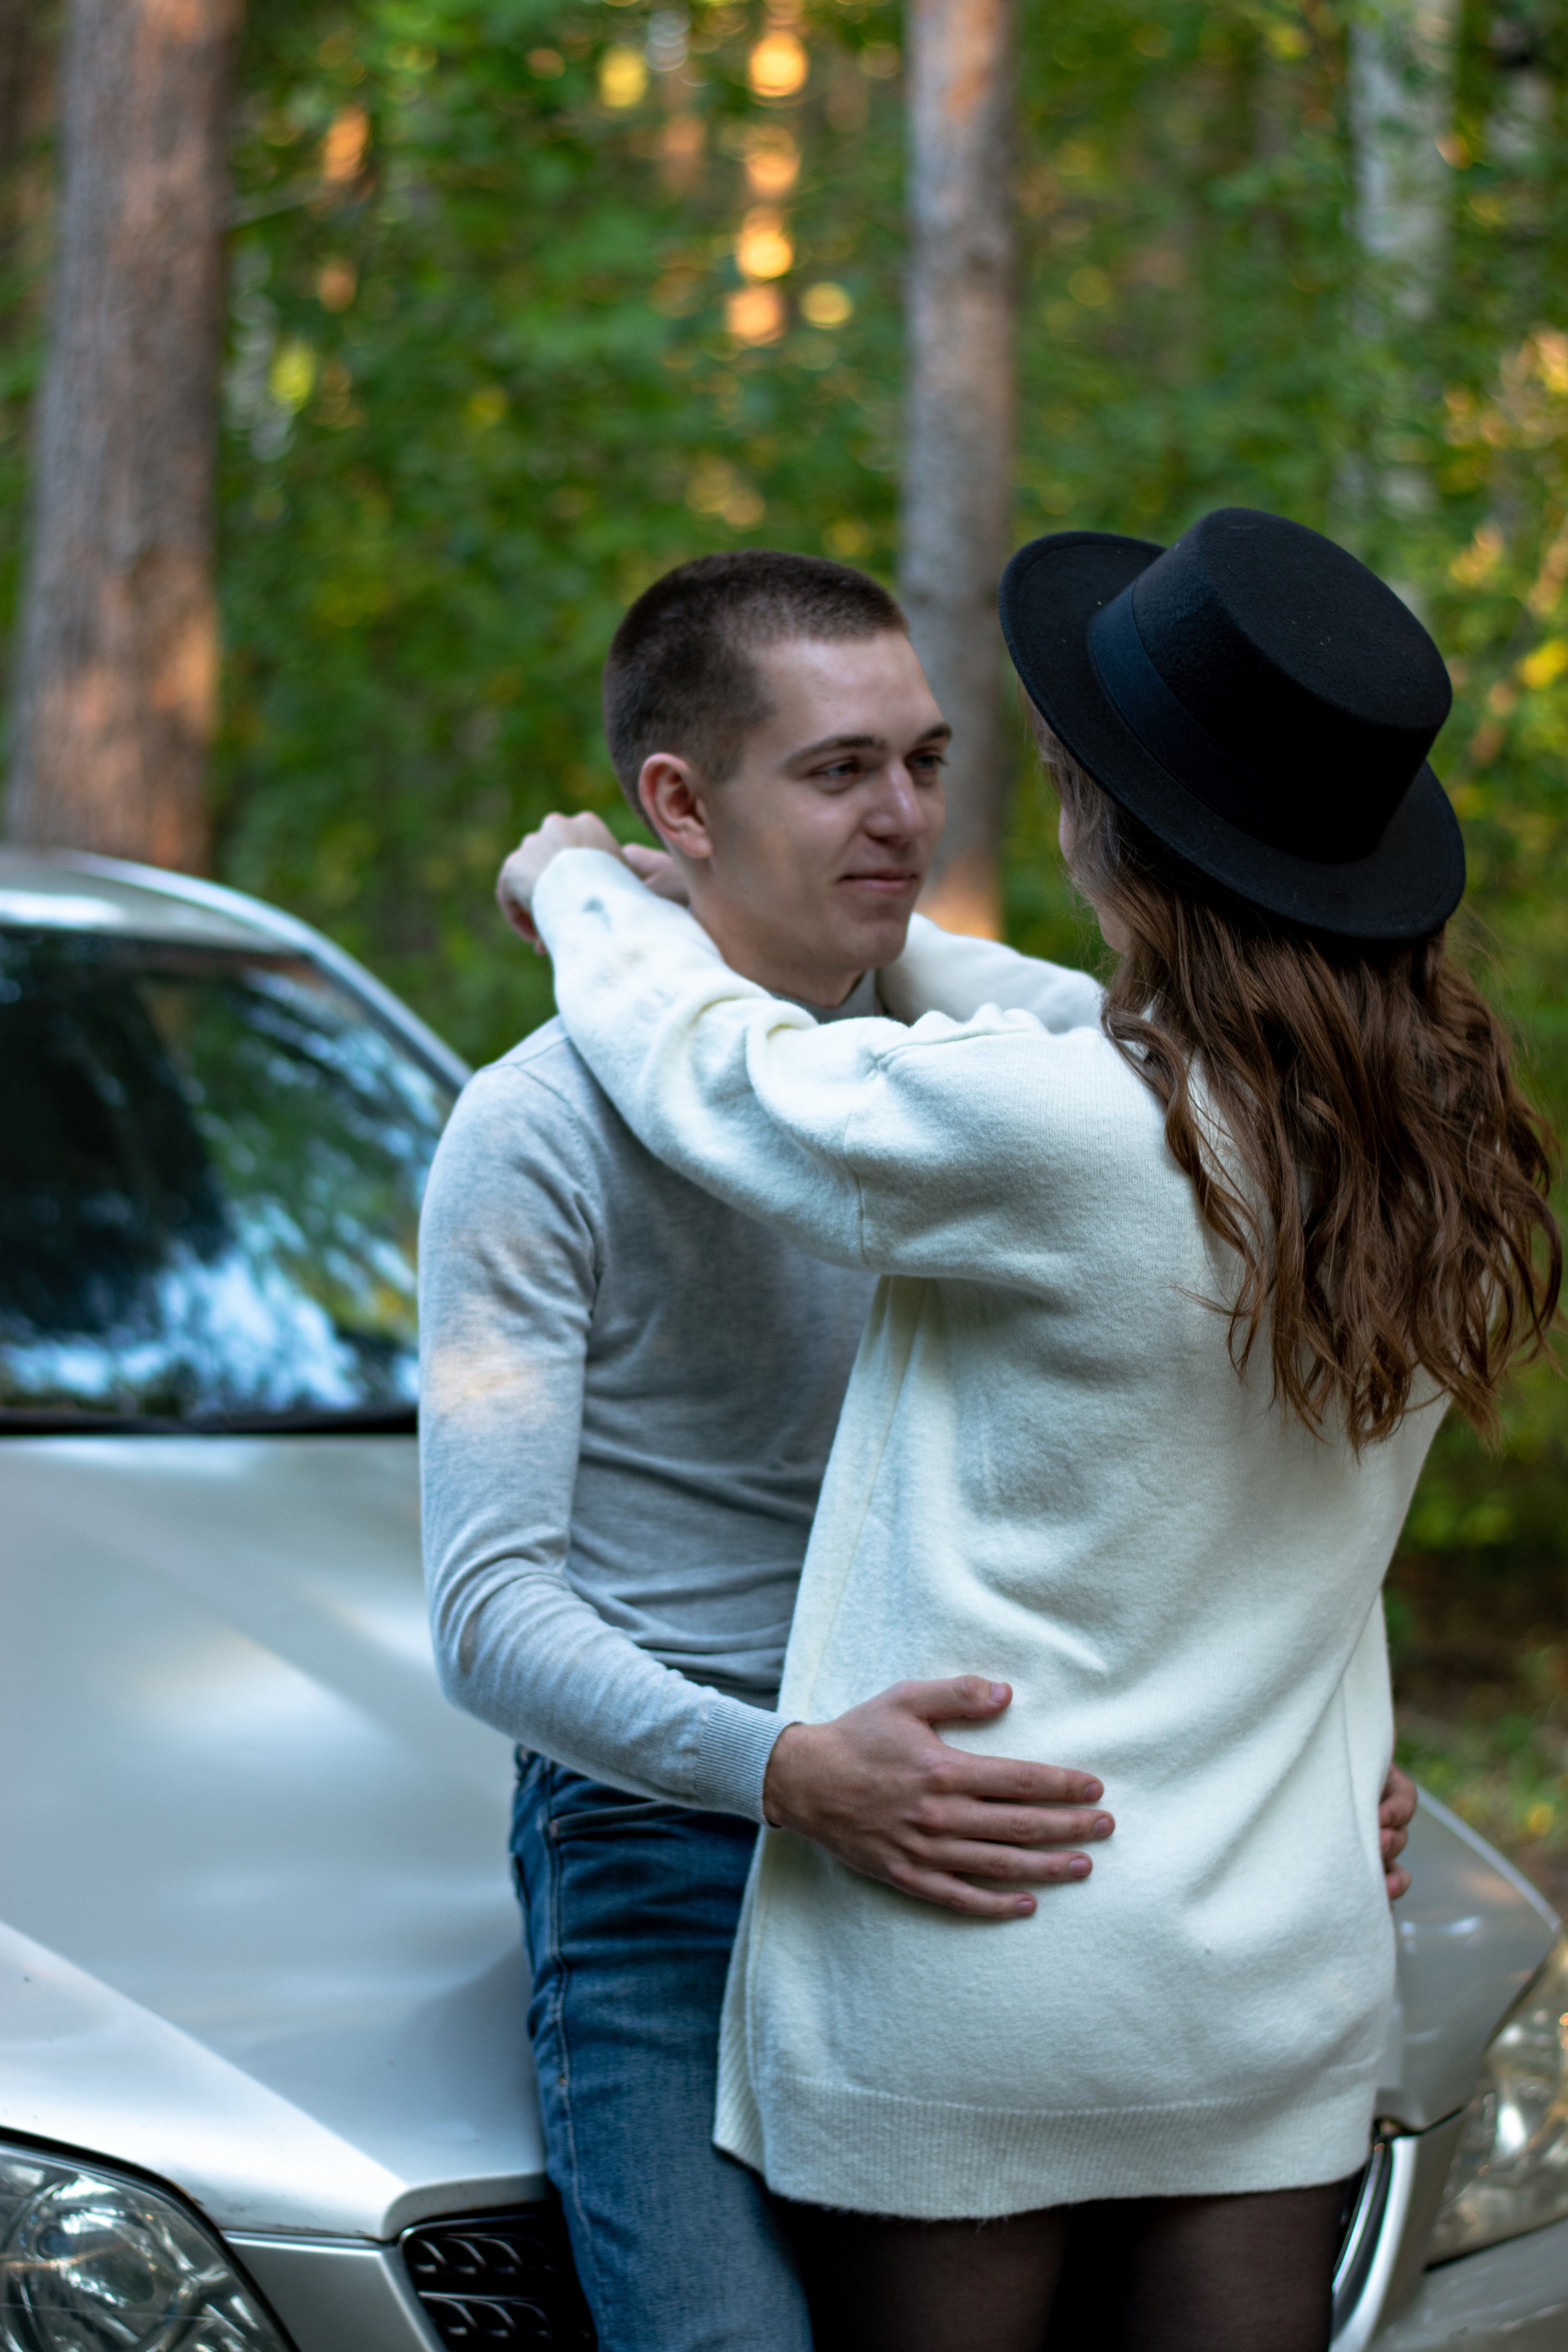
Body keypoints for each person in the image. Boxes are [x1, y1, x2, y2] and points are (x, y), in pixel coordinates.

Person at [497, 510, 1554, 2352]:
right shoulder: (1409, 1140)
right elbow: (1055, 1023)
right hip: (1275, 1959)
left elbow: (718, 1074)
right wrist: (895, 952)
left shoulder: (1068, 1139)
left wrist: (582, 890)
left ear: (1115, 830)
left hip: (998, 1941)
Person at [419, 549, 1129, 2352]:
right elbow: (489, 1617)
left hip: (972, 1832)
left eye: (923, 760)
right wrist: (789, 1769)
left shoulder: (981, 1086)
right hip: (672, 1849)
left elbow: (1194, 1055)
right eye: (836, 773)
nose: (901, 815)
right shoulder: (532, 1130)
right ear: (681, 800)